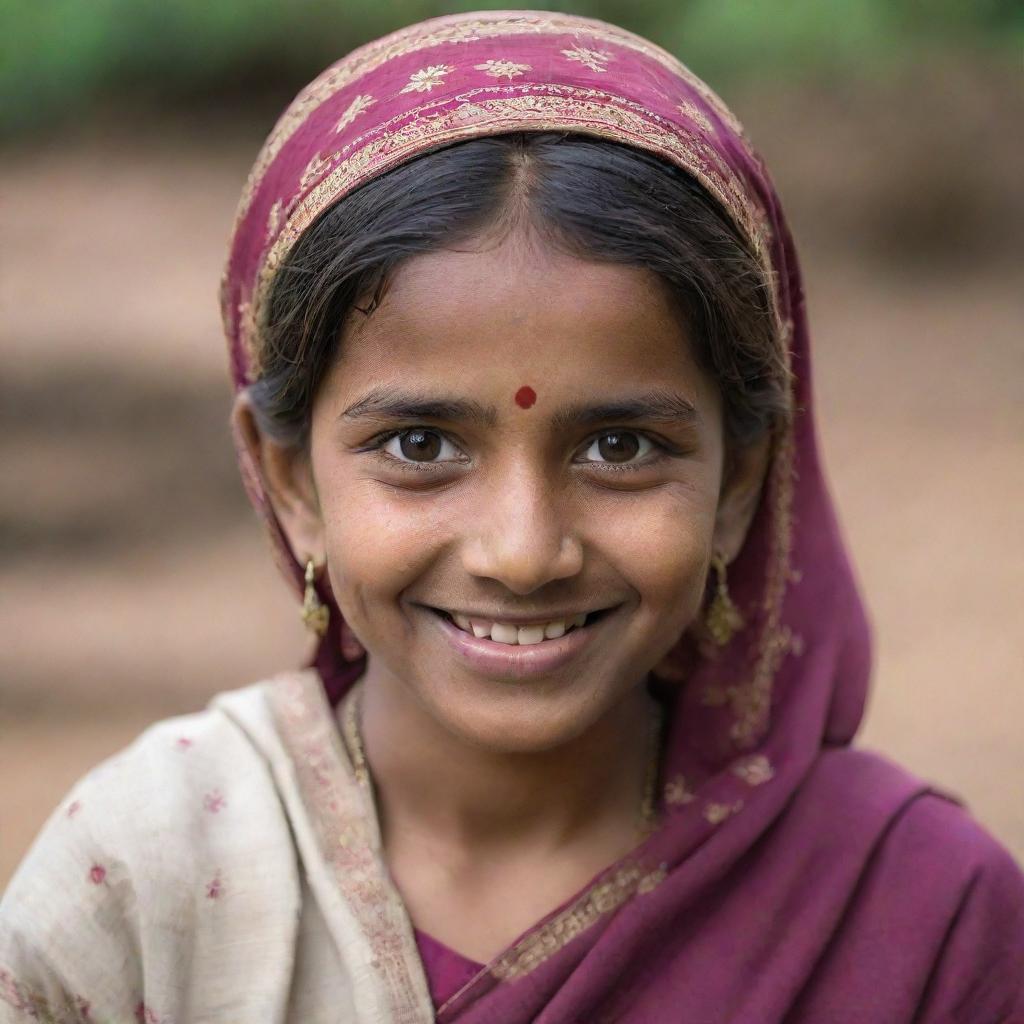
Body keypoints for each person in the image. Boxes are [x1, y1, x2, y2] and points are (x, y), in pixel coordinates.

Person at [2, 11, 1022, 1023]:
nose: (525, 552)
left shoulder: (915, 917)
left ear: (741, 479)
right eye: (420, 446)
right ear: (290, 482)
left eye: (619, 446)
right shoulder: (147, 882)